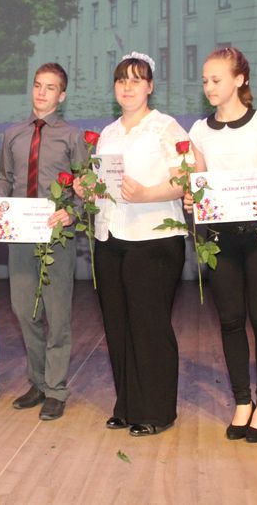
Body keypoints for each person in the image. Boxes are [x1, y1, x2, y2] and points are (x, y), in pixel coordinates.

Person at [75, 53, 188, 436]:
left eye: (136, 80)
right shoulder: (107, 133)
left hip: (154, 238)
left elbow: (185, 179)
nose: (128, 87)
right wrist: (87, 188)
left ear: (150, 86)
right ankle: (127, 406)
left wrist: (147, 194)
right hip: (110, 237)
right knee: (118, 325)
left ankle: (157, 411)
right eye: (122, 80)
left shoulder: (165, 127)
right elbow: (104, 186)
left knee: (149, 326)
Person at [187, 47, 257, 443]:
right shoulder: (199, 131)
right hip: (219, 239)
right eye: (205, 80)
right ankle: (241, 401)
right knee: (230, 320)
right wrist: (191, 197)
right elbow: (198, 181)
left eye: (216, 79)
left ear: (240, 79)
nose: (209, 86)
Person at [0, 63, 83, 421]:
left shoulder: (72, 136)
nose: (42, 93)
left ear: (62, 95)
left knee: (57, 316)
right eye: (38, 85)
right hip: (19, 235)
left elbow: (85, 188)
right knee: (24, 310)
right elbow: (5, 178)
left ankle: (56, 389)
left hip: (56, 236)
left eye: (51, 87)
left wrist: (71, 213)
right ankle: (39, 382)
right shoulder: (13, 134)